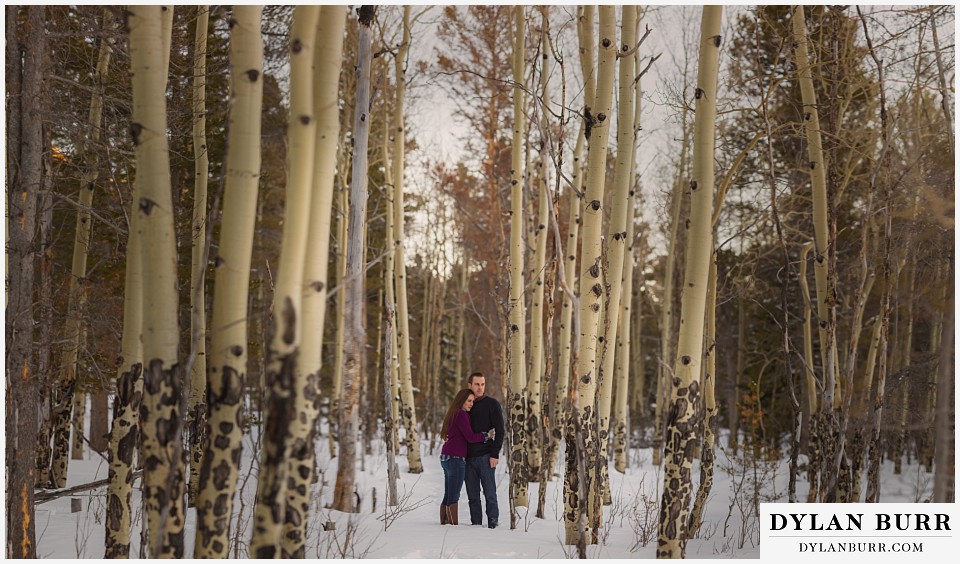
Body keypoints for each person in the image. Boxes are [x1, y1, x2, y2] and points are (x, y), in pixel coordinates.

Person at [439, 388, 488, 525]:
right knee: (454, 495)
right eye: (469, 401)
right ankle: (453, 525)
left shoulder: (452, 413)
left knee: (448, 493)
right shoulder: (461, 414)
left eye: (472, 401)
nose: (471, 404)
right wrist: (485, 436)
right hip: (456, 458)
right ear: (462, 400)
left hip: (446, 457)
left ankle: (444, 523)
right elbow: (470, 437)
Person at [464, 372, 504, 529]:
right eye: (476, 384)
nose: (480, 388)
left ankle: (493, 525)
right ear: (470, 386)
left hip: (486, 457)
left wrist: (495, 454)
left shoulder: (492, 404)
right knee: (472, 497)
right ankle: (476, 526)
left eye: (482, 384)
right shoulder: (466, 405)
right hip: (467, 458)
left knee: (490, 495)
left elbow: (500, 431)